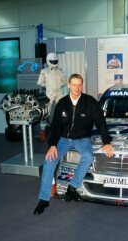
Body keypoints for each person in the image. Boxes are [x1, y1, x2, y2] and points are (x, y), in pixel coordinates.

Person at [34, 73, 115, 215]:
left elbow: (101, 122)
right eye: (74, 85)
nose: (77, 88)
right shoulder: (62, 103)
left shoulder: (90, 102)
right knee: (49, 160)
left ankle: (72, 187)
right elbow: (55, 127)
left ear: (82, 86)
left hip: (82, 139)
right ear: (69, 85)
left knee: (88, 156)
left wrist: (106, 142)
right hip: (63, 140)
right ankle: (44, 199)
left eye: (80, 85)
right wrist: (52, 145)